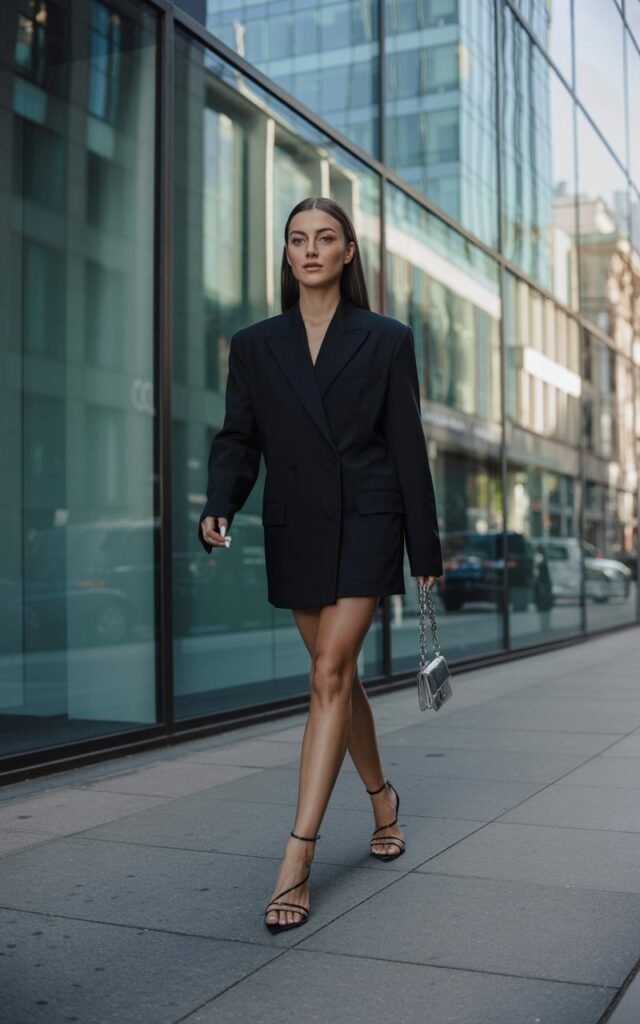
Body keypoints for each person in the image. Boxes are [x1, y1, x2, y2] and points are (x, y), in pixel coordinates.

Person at [198, 196, 443, 934]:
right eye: (298, 239)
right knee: (337, 679)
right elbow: (239, 436)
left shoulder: (386, 339)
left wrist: (424, 551)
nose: (310, 250)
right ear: (287, 254)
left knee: (326, 673)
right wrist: (221, 501)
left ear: (348, 253)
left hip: (370, 520)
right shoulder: (254, 344)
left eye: (325, 238)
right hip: (296, 526)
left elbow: (407, 447)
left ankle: (296, 859)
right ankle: (382, 801)